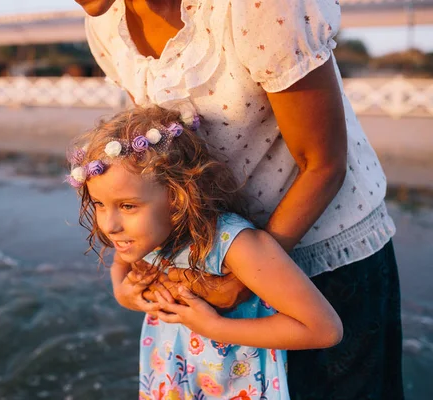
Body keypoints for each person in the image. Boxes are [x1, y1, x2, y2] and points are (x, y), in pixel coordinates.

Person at [74, 0, 404, 398]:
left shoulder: (259, 7)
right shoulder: (107, 24)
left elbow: (322, 163)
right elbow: (143, 171)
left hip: (322, 252)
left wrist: (244, 279)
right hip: (212, 257)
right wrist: (124, 273)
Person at [66, 106, 342, 399]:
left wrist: (216, 327)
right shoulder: (142, 237)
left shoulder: (233, 245)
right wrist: (122, 292)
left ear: (176, 195)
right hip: (173, 381)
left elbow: (323, 329)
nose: (110, 225)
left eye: (128, 206)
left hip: (237, 387)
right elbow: (120, 264)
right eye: (99, 204)